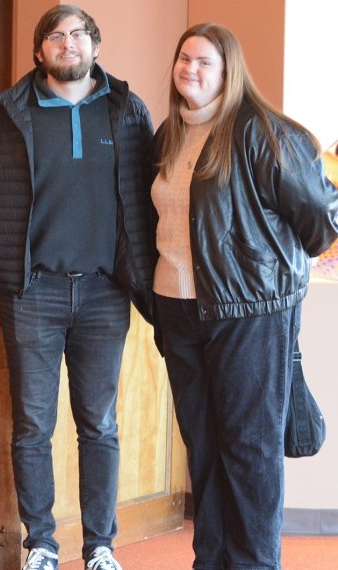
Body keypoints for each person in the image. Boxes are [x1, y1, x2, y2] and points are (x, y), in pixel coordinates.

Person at [0, 5, 154, 570]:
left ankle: (100, 547)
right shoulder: (6, 113)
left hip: (104, 293)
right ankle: (40, 543)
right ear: (39, 50)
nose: (68, 43)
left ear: (95, 44)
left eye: (78, 34)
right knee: (33, 426)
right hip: (31, 292)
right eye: (55, 35)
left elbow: (147, 194)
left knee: (100, 425)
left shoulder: (126, 110)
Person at [150, 23, 338, 569]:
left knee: (250, 452)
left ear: (229, 71)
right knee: (204, 449)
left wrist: (268, 273)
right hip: (179, 310)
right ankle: (211, 560)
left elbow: (319, 221)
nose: (191, 69)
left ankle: (254, 563)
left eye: (205, 62)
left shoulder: (264, 132)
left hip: (248, 315)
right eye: (185, 58)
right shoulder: (169, 134)